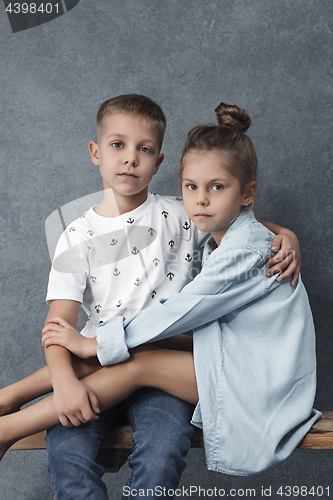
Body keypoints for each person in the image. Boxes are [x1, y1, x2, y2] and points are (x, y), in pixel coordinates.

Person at [0, 97, 302, 496]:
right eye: (117, 145)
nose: (129, 159)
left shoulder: (183, 212)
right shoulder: (76, 236)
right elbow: (58, 327)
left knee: (162, 450)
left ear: (158, 163)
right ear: (95, 153)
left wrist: (289, 236)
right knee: (65, 449)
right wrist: (63, 382)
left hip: (166, 370)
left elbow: (244, 227)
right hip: (97, 366)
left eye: (143, 149)